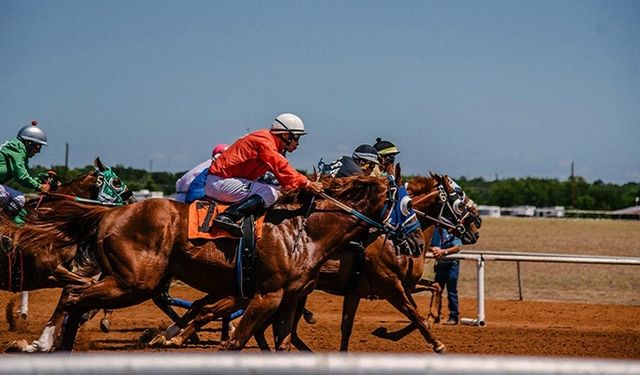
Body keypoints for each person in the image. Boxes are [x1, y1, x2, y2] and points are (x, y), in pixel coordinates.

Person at [206, 113, 324, 236]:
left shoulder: (270, 143)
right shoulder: (265, 142)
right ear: (285, 135)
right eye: (296, 138)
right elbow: (281, 166)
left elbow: (282, 177)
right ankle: (227, 216)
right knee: (269, 193)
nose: (298, 143)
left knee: (276, 190)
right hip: (220, 182)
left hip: (224, 181)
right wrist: (307, 183)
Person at [0, 120, 50, 225]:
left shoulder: (21, 152)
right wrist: (39, 186)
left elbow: (26, 175)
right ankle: (7, 227)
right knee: (19, 199)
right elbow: (21, 176)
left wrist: (40, 180)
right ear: (29, 143)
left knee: (18, 205)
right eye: (38, 146)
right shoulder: (16, 149)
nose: (39, 151)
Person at [430, 225, 463, 325]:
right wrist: (432, 249)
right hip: (440, 265)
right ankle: (435, 315)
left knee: (451, 291)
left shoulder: (452, 229)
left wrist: (443, 251)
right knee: (436, 290)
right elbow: (428, 245)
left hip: (452, 264)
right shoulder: (434, 231)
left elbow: (457, 247)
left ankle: (454, 316)